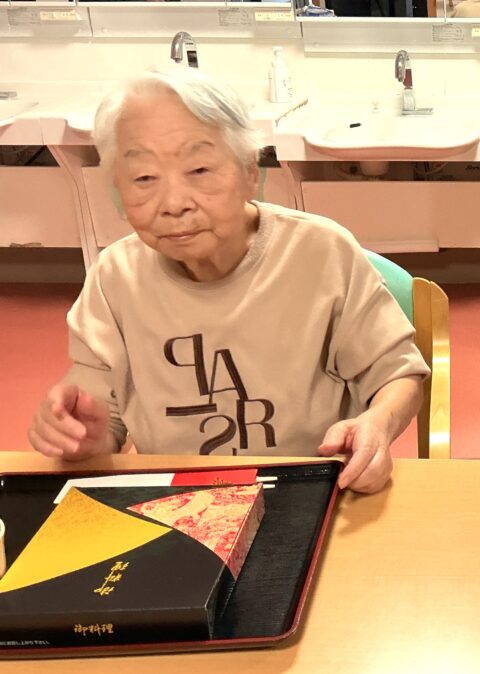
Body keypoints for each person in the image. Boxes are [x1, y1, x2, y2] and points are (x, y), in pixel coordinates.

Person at [27, 68, 429, 493]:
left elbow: (396, 375)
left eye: (199, 169)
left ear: (250, 171)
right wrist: (81, 437)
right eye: (143, 178)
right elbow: (99, 417)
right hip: (174, 499)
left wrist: (376, 424)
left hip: (309, 491)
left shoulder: (322, 253)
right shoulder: (115, 278)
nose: (174, 203)